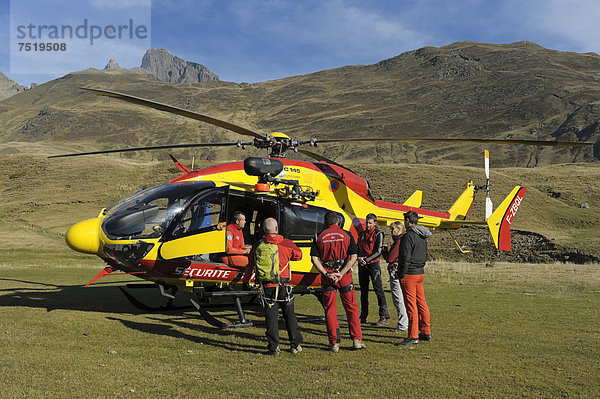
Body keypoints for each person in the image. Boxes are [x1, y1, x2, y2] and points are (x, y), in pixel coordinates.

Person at [311, 211, 365, 352]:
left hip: (328, 275)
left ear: (325, 222)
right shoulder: (347, 234)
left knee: (330, 310)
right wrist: (341, 273)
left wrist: (325, 273)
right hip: (344, 276)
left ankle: (334, 343)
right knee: (351, 308)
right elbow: (354, 256)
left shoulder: (319, 236)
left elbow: (314, 259)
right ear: (338, 222)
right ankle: (356, 340)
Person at [253, 218, 303, 356]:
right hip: (284, 285)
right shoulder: (286, 243)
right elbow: (299, 256)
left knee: (271, 317)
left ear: (264, 229)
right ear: (276, 228)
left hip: (268, 286)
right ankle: (295, 344)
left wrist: (247, 281)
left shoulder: (258, 245)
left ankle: (274, 346)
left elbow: (250, 264)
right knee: (289, 315)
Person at [397, 210, 432, 345]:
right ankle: (425, 331)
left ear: (407, 220)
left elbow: (405, 257)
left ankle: (413, 335)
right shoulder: (422, 236)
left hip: (409, 274)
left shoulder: (408, 236)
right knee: (422, 303)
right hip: (419, 272)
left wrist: (401, 273)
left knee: (411, 305)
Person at [357, 213, 390, 326]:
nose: (368, 225)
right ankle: (363, 316)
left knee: (378, 290)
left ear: (375, 223)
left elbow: (378, 252)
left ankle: (384, 316)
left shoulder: (378, 234)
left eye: (370, 223)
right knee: (363, 291)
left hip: (373, 265)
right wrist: (359, 258)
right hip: (362, 265)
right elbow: (358, 249)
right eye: (367, 222)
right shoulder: (361, 234)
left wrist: (366, 259)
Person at [382, 221, 408, 333]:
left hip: (395, 271)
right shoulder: (403, 240)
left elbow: (390, 258)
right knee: (404, 298)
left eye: (392, 229)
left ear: (399, 229)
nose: (391, 231)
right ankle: (406, 322)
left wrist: (384, 251)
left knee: (398, 299)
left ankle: (403, 325)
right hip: (403, 272)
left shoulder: (398, 241)